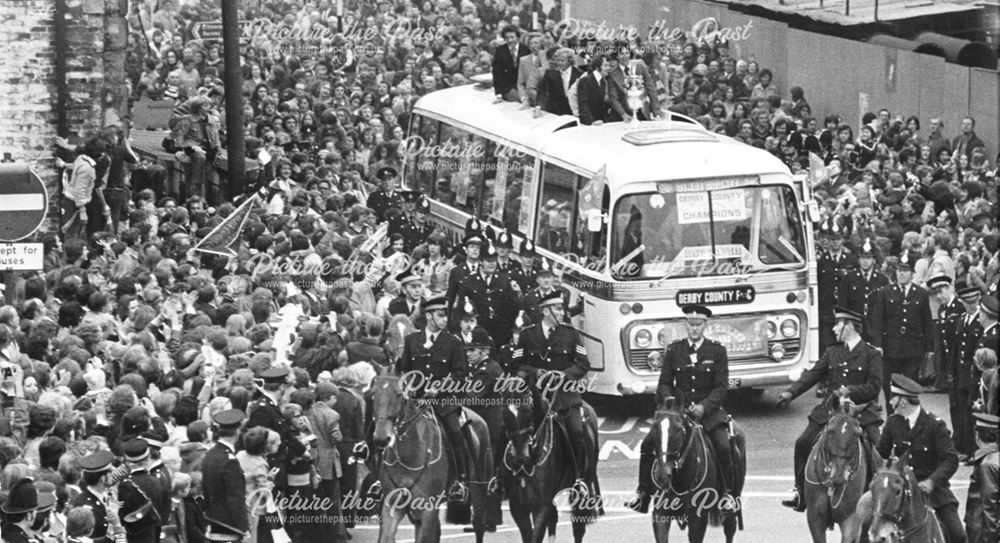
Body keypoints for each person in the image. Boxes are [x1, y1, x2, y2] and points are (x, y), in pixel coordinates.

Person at [628, 305, 734, 513]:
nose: (695, 329)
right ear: (685, 325)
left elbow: (721, 387)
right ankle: (642, 493)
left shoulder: (717, 351)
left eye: (699, 325)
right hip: (679, 413)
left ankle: (727, 494)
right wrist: (669, 400)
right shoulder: (675, 350)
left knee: (724, 446)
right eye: (691, 325)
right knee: (648, 443)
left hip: (708, 413)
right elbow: (664, 382)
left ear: (705, 325)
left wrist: (704, 407)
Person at [776, 307, 883, 512]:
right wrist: (791, 393)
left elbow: (874, 386)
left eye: (838, 324)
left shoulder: (871, 354)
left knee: (878, 447)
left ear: (849, 327)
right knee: (803, 442)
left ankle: (877, 494)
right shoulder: (833, 352)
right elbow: (813, 374)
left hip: (860, 411)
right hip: (831, 411)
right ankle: (800, 490)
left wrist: (850, 390)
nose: (834, 329)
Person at [511, 290, 593, 498]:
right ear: (545, 311)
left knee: (576, 432)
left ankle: (580, 479)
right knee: (513, 428)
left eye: (562, 308)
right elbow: (517, 364)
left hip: (564, 397)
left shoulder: (570, 333)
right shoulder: (527, 335)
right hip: (535, 396)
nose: (562, 313)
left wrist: (564, 375)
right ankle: (508, 475)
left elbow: (583, 364)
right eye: (557, 309)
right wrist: (535, 372)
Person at [876, 374, 966, 543]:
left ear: (902, 402)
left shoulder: (934, 425)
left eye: (893, 398)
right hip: (900, 491)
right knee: (869, 528)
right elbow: (881, 453)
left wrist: (932, 481)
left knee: (958, 535)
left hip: (931, 492)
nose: (890, 402)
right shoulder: (893, 423)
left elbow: (951, 460)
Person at [397, 295, 470, 502]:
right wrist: (410, 386)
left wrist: (438, 388)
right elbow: (405, 370)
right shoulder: (412, 340)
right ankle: (383, 476)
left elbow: (459, 374)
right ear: (429, 316)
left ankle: (460, 480)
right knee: (391, 427)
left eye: (446, 316)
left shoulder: (453, 343)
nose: (444, 320)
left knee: (455, 432)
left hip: (444, 402)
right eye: (440, 315)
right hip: (417, 402)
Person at [869, 253, 935, 414]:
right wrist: (877, 344)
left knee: (910, 385)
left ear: (913, 273)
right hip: (891, 348)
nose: (901, 273)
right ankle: (893, 417)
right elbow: (877, 320)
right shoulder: (885, 292)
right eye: (899, 270)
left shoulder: (921, 294)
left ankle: (910, 417)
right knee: (889, 385)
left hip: (913, 349)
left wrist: (929, 349)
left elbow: (927, 322)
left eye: (905, 270)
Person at [203, 409, 249, 543]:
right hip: (229, 524)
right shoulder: (230, 461)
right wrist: (243, 528)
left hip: (214, 520)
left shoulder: (210, 454)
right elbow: (235, 497)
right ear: (238, 432)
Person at [117, 439, 166, 543]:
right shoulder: (156, 481)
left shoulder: (125, 485)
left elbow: (121, 517)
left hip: (132, 537)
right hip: (152, 536)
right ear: (147, 459)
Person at [69, 449, 117, 543]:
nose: (114, 473)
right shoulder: (83, 505)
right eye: (110, 471)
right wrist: (113, 522)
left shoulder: (109, 495)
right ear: (103, 479)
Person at [965, 412, 999, 543]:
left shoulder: (986, 465)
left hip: (981, 530)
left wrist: (989, 538)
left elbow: (989, 505)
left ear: (977, 436)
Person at [535, 48, 581, 116]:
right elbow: (543, 92)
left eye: (562, 61)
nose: (559, 63)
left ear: (570, 61)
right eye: (558, 60)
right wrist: (538, 107)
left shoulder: (579, 74)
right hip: (555, 112)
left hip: (574, 113)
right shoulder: (550, 74)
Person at [491, 26, 528, 102]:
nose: (510, 40)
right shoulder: (500, 51)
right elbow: (496, 73)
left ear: (518, 37)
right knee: (522, 99)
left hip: (523, 86)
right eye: (507, 38)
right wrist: (498, 94)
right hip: (508, 88)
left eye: (512, 37)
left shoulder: (525, 49)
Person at [1, 477, 40, 543]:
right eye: (34, 510)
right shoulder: (22, 540)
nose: (36, 512)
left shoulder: (4, 532)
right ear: (29, 516)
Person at [576, 54, 611, 126]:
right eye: (605, 65)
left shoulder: (604, 82)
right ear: (597, 67)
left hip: (601, 122)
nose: (608, 68)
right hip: (588, 124)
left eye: (609, 65)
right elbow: (583, 104)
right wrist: (591, 121)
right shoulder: (585, 81)